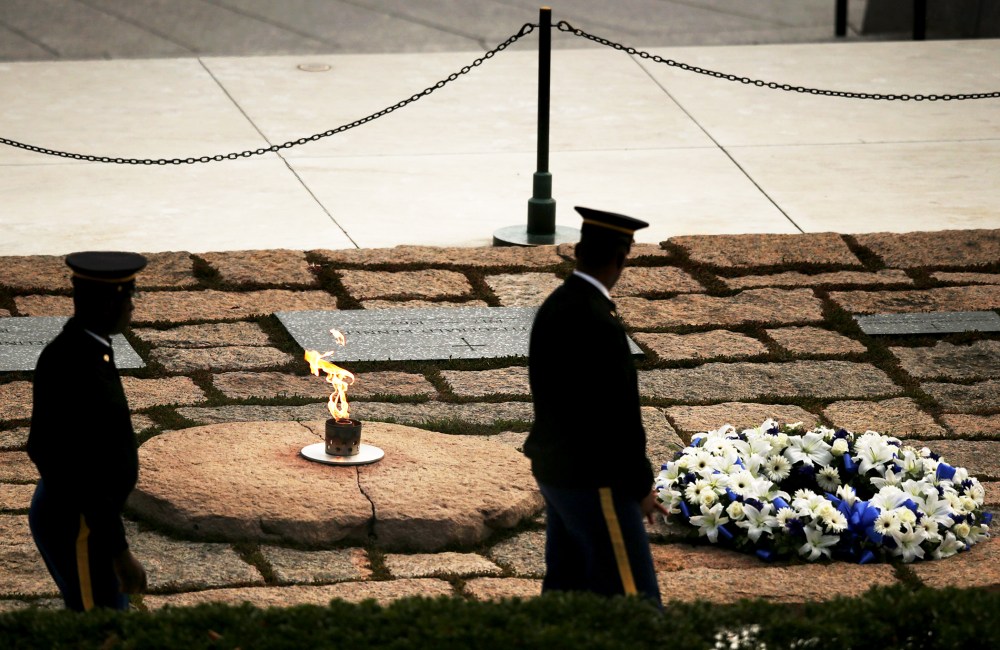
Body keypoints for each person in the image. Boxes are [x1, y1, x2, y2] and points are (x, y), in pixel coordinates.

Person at [524, 206, 665, 606]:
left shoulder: (557, 304)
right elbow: (619, 418)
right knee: (633, 599)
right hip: (595, 480)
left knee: (567, 592)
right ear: (622, 258)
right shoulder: (598, 320)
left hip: (557, 472)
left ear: (579, 251)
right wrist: (639, 488)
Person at [28, 251, 148, 611]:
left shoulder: (88, 349)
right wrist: (120, 551)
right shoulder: (77, 364)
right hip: (78, 519)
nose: (132, 307)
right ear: (108, 303)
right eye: (127, 297)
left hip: (80, 512)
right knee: (101, 622)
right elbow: (82, 472)